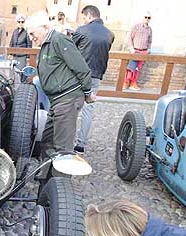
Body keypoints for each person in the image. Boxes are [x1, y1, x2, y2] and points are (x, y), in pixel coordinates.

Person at [25, 11, 93, 157]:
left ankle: (60, 179)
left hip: (67, 98)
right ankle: (45, 176)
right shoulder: (46, 44)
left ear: (44, 27)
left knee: (63, 148)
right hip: (56, 100)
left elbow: (81, 67)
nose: (31, 38)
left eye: (32, 33)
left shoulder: (59, 40)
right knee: (47, 142)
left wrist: (87, 92)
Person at [72, 5, 114, 153]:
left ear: (89, 16)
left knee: (73, 106)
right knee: (88, 109)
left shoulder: (82, 30)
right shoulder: (110, 34)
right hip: (96, 75)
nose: (84, 20)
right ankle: (80, 144)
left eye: (84, 17)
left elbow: (71, 50)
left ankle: (66, 141)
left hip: (79, 75)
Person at [124, 12, 153, 91]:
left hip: (143, 51)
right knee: (131, 68)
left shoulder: (149, 29)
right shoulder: (136, 27)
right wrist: (131, 49)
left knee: (137, 69)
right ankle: (126, 82)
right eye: (145, 17)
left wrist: (148, 49)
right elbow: (130, 38)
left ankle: (133, 83)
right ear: (142, 17)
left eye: (149, 18)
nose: (147, 19)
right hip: (135, 50)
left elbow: (150, 41)